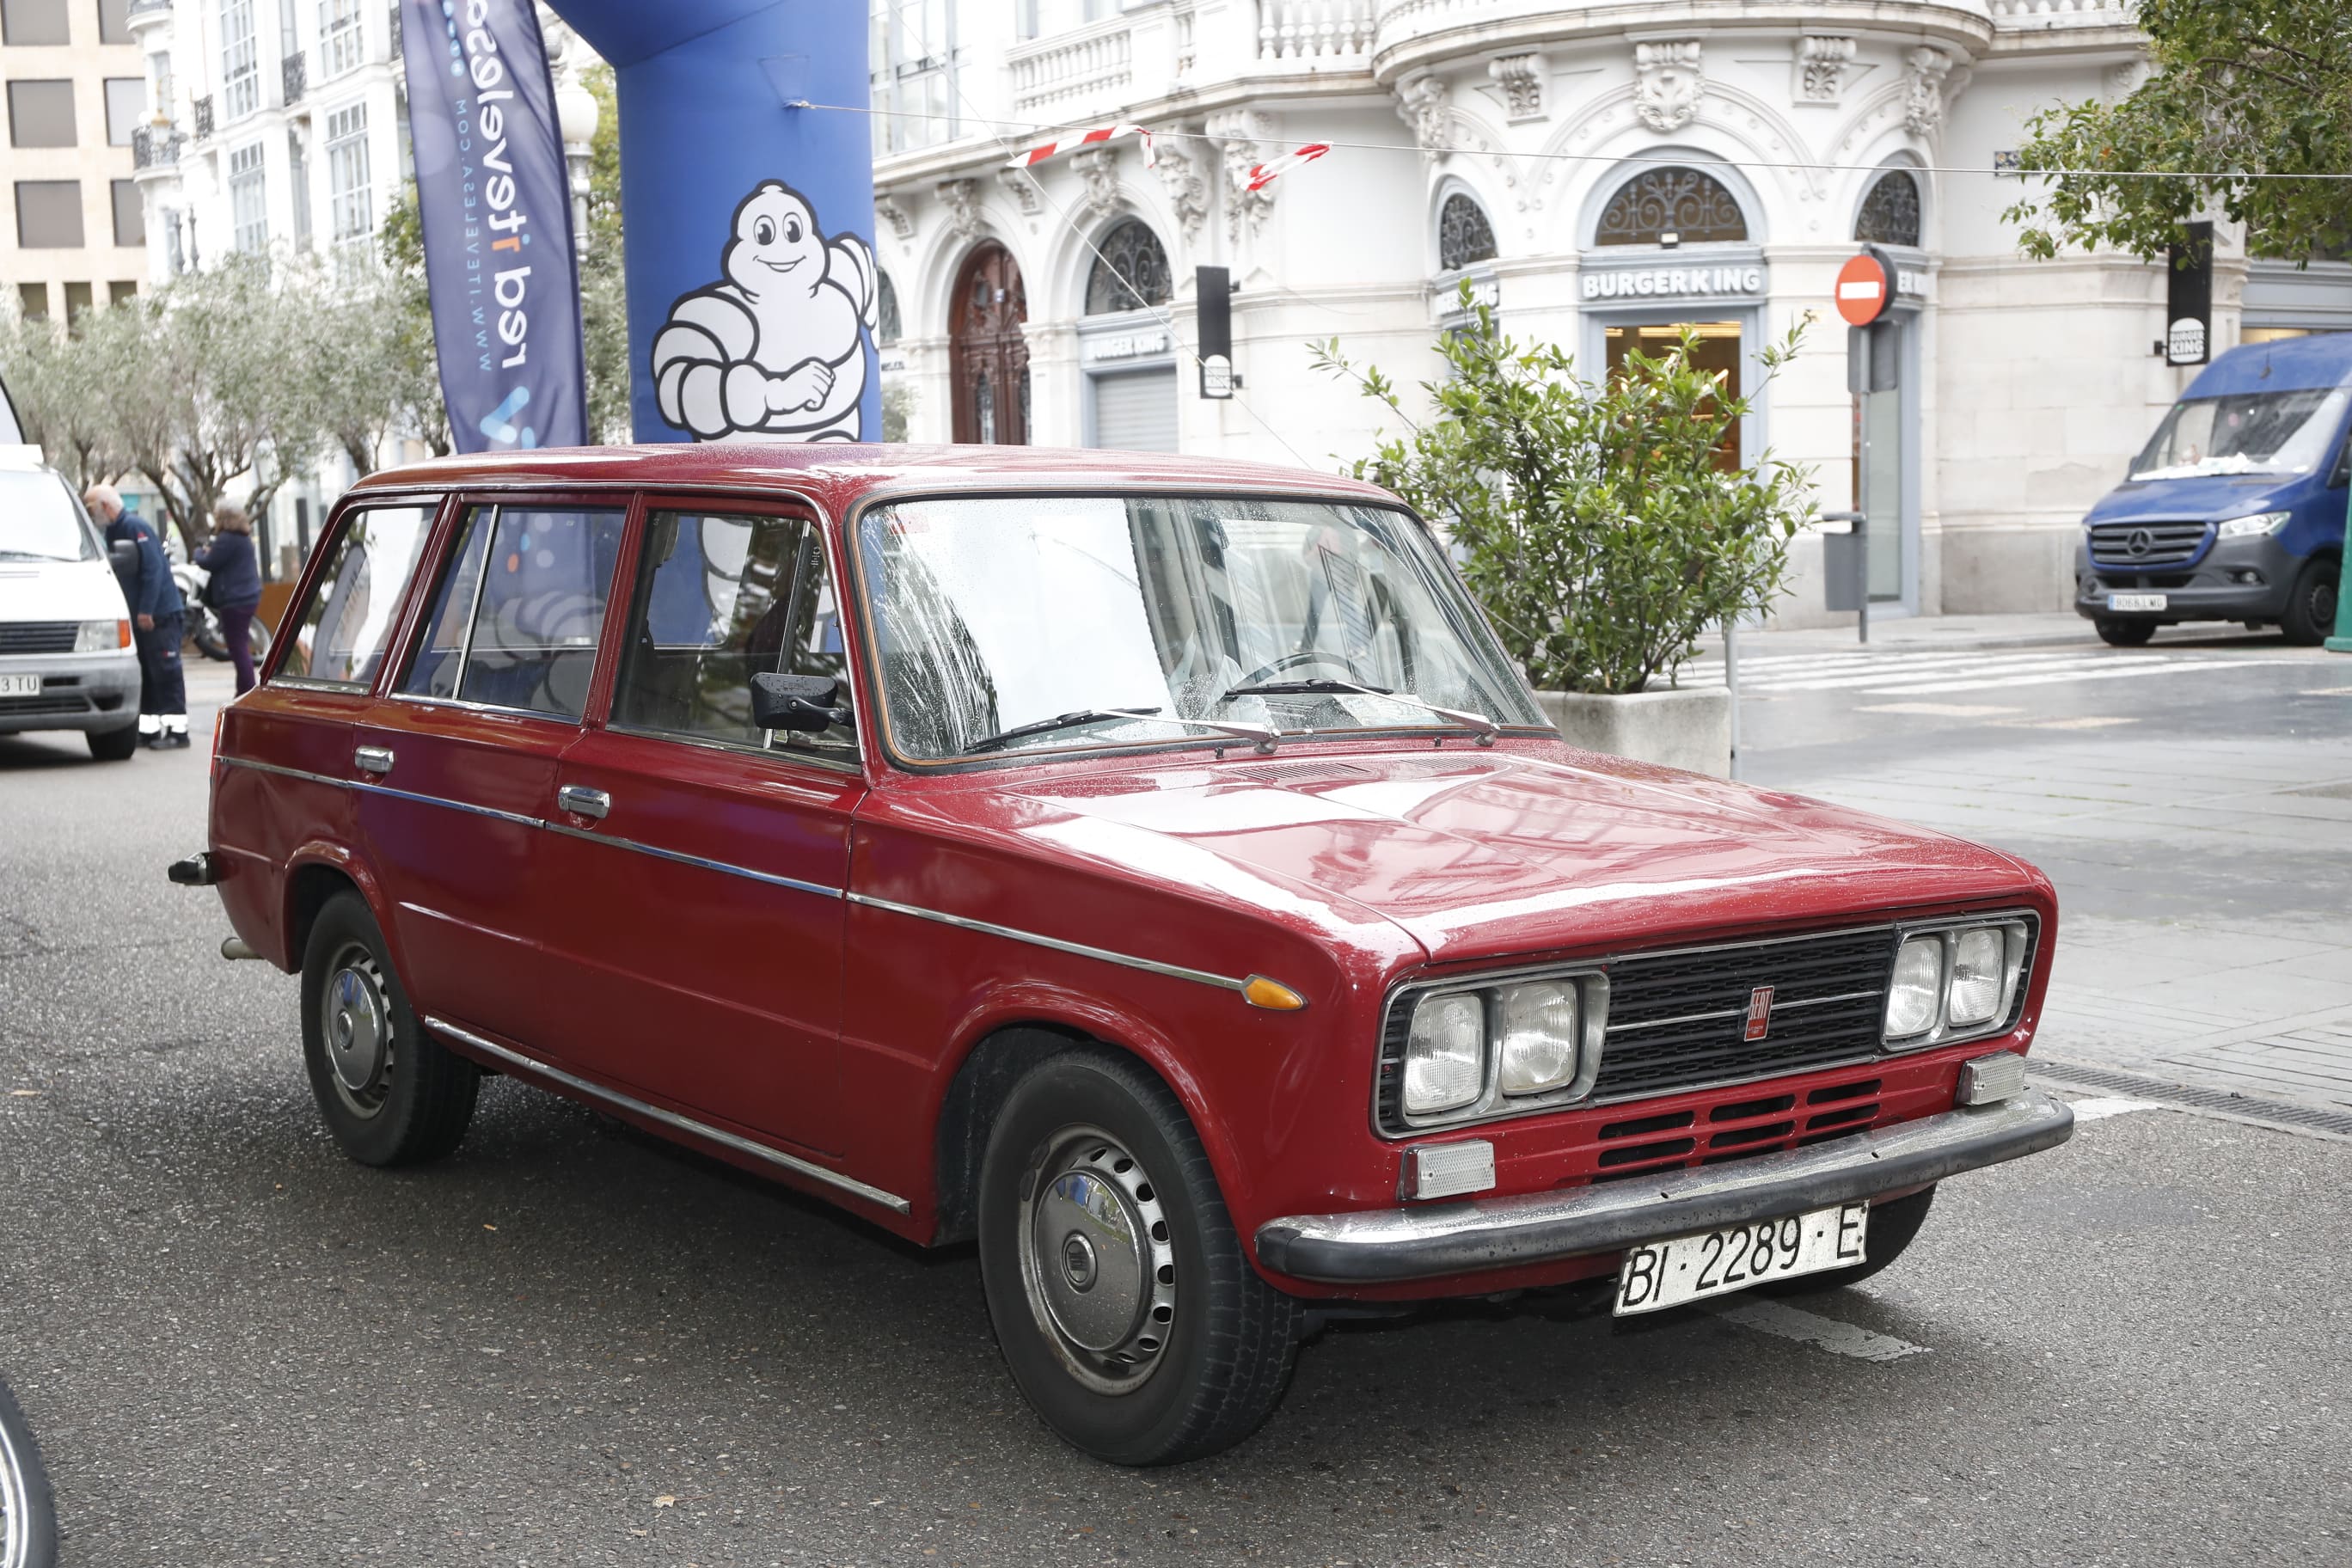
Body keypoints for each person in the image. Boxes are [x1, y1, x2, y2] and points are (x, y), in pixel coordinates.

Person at [84, 483, 188, 748]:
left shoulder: (133, 526)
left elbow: (153, 570)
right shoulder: (116, 530)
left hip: (159, 615)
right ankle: (151, 730)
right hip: (144, 616)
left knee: (166, 673)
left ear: (105, 507)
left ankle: (178, 732)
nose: (90, 514)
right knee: (150, 675)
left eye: (91, 508)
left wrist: (146, 609)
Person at [194, 502, 264, 695]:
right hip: (248, 596)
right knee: (239, 643)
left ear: (223, 519)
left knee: (237, 647)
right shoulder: (244, 539)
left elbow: (209, 562)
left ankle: (246, 690)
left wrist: (198, 552)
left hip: (234, 599)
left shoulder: (227, 539)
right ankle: (243, 688)